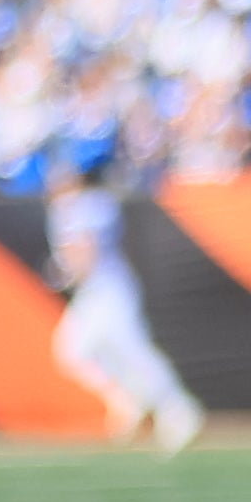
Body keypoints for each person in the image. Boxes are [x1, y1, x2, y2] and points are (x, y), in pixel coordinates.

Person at [47, 190, 204, 451]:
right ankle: (131, 402)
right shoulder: (74, 205)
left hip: (109, 290)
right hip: (93, 293)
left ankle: (179, 411)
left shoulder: (89, 205)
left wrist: (65, 274)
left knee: (134, 352)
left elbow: (86, 251)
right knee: (74, 352)